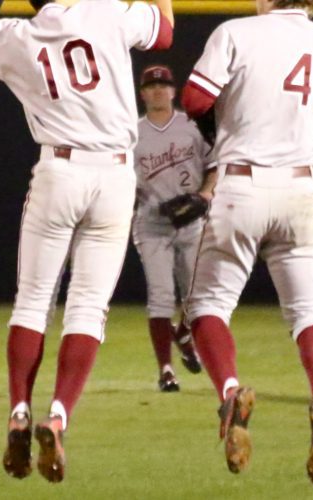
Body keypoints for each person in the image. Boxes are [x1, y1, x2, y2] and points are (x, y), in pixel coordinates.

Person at [0, 0, 173, 483]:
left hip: (59, 168)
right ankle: (57, 416)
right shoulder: (108, 12)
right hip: (115, 175)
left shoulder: (16, 35)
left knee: (33, 303)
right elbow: (164, 31)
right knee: (88, 307)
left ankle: (17, 411)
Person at [179, 0, 313, 486]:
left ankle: (229, 391)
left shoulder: (237, 32)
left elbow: (192, 100)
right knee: (310, 311)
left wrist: (219, 117)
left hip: (242, 183)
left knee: (207, 305)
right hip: (298, 186)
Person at [132, 64, 215, 392]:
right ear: (142, 94)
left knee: (198, 299)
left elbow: (216, 165)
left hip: (192, 221)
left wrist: (205, 194)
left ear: (173, 90)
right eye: (150, 86)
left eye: (162, 85)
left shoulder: (191, 127)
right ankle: (166, 369)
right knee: (161, 296)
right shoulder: (131, 132)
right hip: (152, 224)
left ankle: (184, 333)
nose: (157, 90)